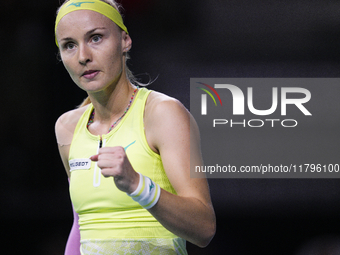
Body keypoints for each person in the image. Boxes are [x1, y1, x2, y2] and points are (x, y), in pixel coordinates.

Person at [54, 0, 216, 254]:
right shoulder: (67, 128)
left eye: (95, 38)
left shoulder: (163, 114)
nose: (83, 56)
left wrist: (137, 185)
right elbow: (81, 224)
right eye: (69, 45)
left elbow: (204, 228)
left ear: (124, 41)